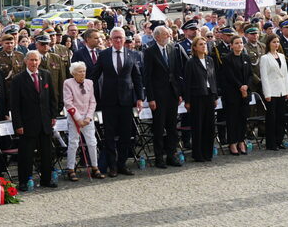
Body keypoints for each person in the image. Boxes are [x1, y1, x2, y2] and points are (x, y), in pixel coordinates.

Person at [89, 27, 143, 177]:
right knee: (110, 136)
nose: (118, 40)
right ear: (110, 40)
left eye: (120, 37)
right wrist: (85, 92)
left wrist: (140, 97)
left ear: (124, 39)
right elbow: (94, 76)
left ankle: (122, 164)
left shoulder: (132, 54)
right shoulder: (104, 55)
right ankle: (112, 166)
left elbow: (137, 78)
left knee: (126, 135)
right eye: (115, 38)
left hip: (126, 101)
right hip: (109, 101)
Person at [10, 51, 57, 190]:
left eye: (36, 60)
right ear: (25, 61)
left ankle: (46, 179)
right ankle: (23, 181)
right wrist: (18, 124)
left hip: (45, 122)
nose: (34, 63)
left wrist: (53, 116)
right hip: (27, 123)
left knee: (47, 153)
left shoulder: (46, 75)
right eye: (31, 60)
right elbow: (15, 105)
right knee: (26, 155)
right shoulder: (18, 79)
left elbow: (52, 98)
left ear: (40, 61)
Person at [142, 26, 183, 168]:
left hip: (172, 94)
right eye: (166, 34)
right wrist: (151, 98)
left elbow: (176, 72)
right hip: (158, 96)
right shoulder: (149, 52)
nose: (169, 36)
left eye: (169, 34)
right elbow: (147, 77)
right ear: (157, 37)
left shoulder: (172, 48)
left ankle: (172, 155)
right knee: (159, 128)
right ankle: (159, 157)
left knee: (172, 127)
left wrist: (179, 93)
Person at [63, 62, 104, 181]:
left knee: (92, 142)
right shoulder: (68, 83)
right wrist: (78, 119)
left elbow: (93, 101)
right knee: (73, 142)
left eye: (84, 71)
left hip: (87, 117)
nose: (82, 74)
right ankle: (70, 169)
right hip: (75, 116)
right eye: (80, 71)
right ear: (73, 73)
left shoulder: (89, 83)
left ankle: (95, 167)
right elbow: (68, 102)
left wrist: (88, 117)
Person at [183, 36, 218, 162]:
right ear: (195, 47)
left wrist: (215, 95)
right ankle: (198, 154)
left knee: (209, 125)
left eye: (205, 44)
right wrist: (187, 100)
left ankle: (208, 152)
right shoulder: (191, 62)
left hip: (209, 95)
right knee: (198, 126)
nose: (204, 46)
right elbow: (187, 82)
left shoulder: (210, 60)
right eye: (201, 44)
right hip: (197, 96)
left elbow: (213, 78)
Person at [221, 35, 252, 155]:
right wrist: (240, 86)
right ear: (232, 45)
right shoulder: (228, 58)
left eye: (241, 43)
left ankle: (241, 141)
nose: (239, 45)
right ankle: (232, 143)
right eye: (236, 43)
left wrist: (246, 86)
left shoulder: (246, 57)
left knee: (242, 118)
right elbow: (229, 76)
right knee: (232, 119)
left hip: (244, 93)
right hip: (233, 93)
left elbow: (250, 74)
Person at [259, 34, 288, 151]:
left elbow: (285, 75)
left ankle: (279, 140)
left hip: (282, 90)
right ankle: (271, 143)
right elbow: (264, 77)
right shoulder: (265, 58)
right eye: (274, 42)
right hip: (271, 92)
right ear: (269, 44)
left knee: (281, 118)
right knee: (271, 118)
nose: (276, 44)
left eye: (277, 42)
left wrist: (287, 91)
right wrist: (266, 94)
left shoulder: (282, 56)